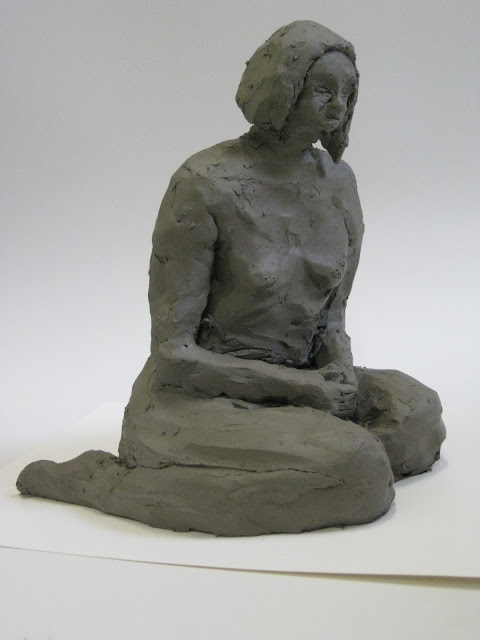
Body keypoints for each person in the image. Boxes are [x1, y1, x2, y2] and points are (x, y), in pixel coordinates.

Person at [17, 22, 446, 536]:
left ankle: (306, 455)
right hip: (196, 397)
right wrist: (304, 391)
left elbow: (331, 318)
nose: (338, 105)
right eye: (323, 90)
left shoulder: (339, 183)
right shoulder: (205, 184)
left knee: (417, 415)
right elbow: (173, 354)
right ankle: (102, 482)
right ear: (282, 87)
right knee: (359, 472)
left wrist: (336, 372)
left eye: (348, 93)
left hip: (300, 378)